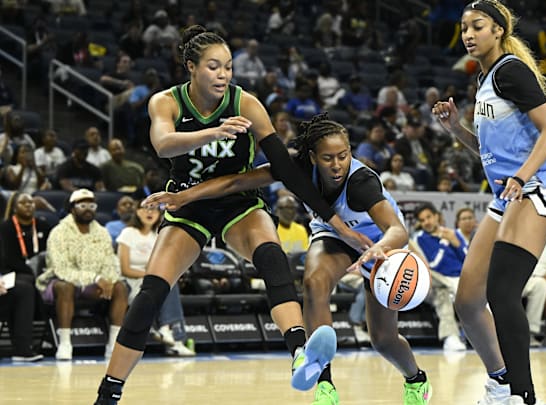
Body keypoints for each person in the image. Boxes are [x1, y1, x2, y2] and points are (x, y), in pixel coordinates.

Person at [93, 26, 371, 404]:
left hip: (238, 204)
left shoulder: (246, 104)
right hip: (187, 204)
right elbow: (162, 144)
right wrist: (214, 133)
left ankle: (300, 357)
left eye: (227, 67)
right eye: (213, 66)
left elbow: (286, 170)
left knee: (273, 259)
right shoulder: (166, 102)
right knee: (151, 294)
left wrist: (334, 220)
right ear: (191, 67)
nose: (223, 74)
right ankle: (109, 392)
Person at [143, 113, 433, 404]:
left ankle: (415, 379)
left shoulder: (362, 183)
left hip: (378, 246)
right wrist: (185, 196)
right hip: (333, 235)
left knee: (382, 339)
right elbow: (236, 182)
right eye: (328, 158)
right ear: (311, 157)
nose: (336, 165)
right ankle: (324, 385)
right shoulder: (298, 169)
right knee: (314, 282)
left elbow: (397, 230)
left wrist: (376, 250)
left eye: (343, 156)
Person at [431, 2, 546, 403]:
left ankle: (523, 395)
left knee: (502, 290)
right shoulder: (485, 81)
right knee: (467, 300)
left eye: (477, 26)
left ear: (498, 30)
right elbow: (490, 153)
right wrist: (455, 128)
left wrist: (521, 177)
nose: (468, 34)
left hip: (540, 188)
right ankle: (500, 382)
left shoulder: (512, 70)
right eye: (463, 28)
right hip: (509, 194)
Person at [36, 189, 129, 360]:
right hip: (59, 282)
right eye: (83, 205)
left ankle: (114, 345)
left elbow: (111, 261)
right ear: (72, 208)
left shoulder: (101, 232)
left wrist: (108, 281)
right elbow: (61, 269)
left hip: (94, 284)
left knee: (120, 287)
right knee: (65, 287)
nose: (88, 209)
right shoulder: (59, 232)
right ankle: (65, 343)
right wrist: (95, 279)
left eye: (92, 205)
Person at [117, 205, 195, 356]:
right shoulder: (128, 233)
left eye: (153, 210)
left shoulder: (160, 235)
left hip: (152, 278)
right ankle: (175, 338)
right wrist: (150, 275)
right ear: (137, 212)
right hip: (130, 280)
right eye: (145, 209)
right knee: (160, 284)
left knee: (168, 283)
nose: (149, 213)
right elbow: (125, 269)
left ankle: (169, 333)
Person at [0, 193, 52, 362]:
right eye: (23, 203)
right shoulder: (6, 228)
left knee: (24, 289)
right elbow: (7, 260)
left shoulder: (43, 225)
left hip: (41, 273)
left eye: (31, 202)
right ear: (14, 207)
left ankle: (23, 350)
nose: (28, 205)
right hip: (15, 272)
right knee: (26, 283)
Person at [412, 202, 468, 352]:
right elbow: (430, 265)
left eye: (429, 217)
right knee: (440, 287)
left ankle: (454, 337)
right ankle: (451, 337)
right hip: (436, 280)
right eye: (422, 220)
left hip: (459, 279)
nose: (427, 222)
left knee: (445, 293)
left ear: (437, 216)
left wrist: (457, 244)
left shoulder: (453, 233)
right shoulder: (419, 239)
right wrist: (444, 244)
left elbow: (468, 260)